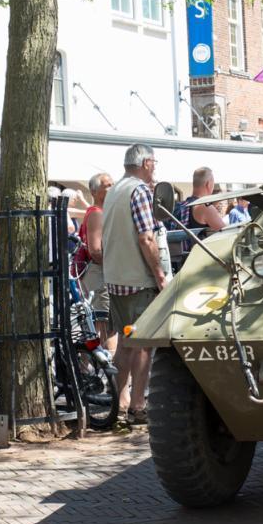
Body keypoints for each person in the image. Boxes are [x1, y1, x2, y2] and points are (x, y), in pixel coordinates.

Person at [102, 144, 164, 428]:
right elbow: (146, 238)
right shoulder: (139, 190)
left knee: (125, 343)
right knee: (142, 346)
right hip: (137, 282)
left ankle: (119, 402)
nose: (155, 167)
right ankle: (139, 405)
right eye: (154, 162)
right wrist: (160, 274)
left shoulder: (114, 189)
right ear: (147, 163)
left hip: (115, 281)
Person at [76, 173, 113, 351]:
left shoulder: (100, 212)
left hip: (99, 273)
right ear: (94, 191)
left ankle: (91, 368)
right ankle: (108, 371)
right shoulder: (97, 214)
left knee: (96, 326)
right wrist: (115, 266)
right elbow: (96, 250)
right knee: (104, 326)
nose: (112, 187)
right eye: (107, 185)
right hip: (99, 274)